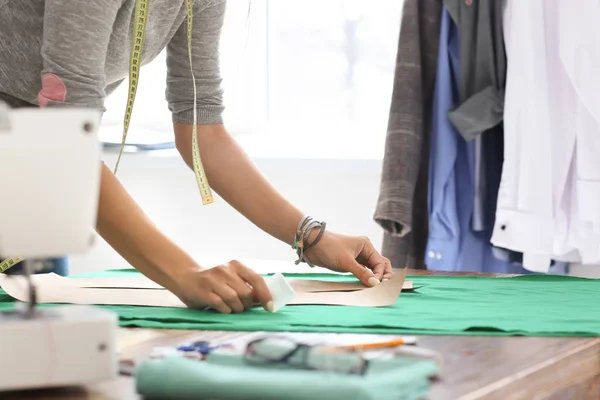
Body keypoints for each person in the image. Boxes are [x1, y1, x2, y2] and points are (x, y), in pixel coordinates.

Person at [0, 0, 393, 314]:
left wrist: (310, 235)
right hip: (36, 155)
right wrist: (186, 273)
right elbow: (67, 138)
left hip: (36, 170)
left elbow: (202, 129)